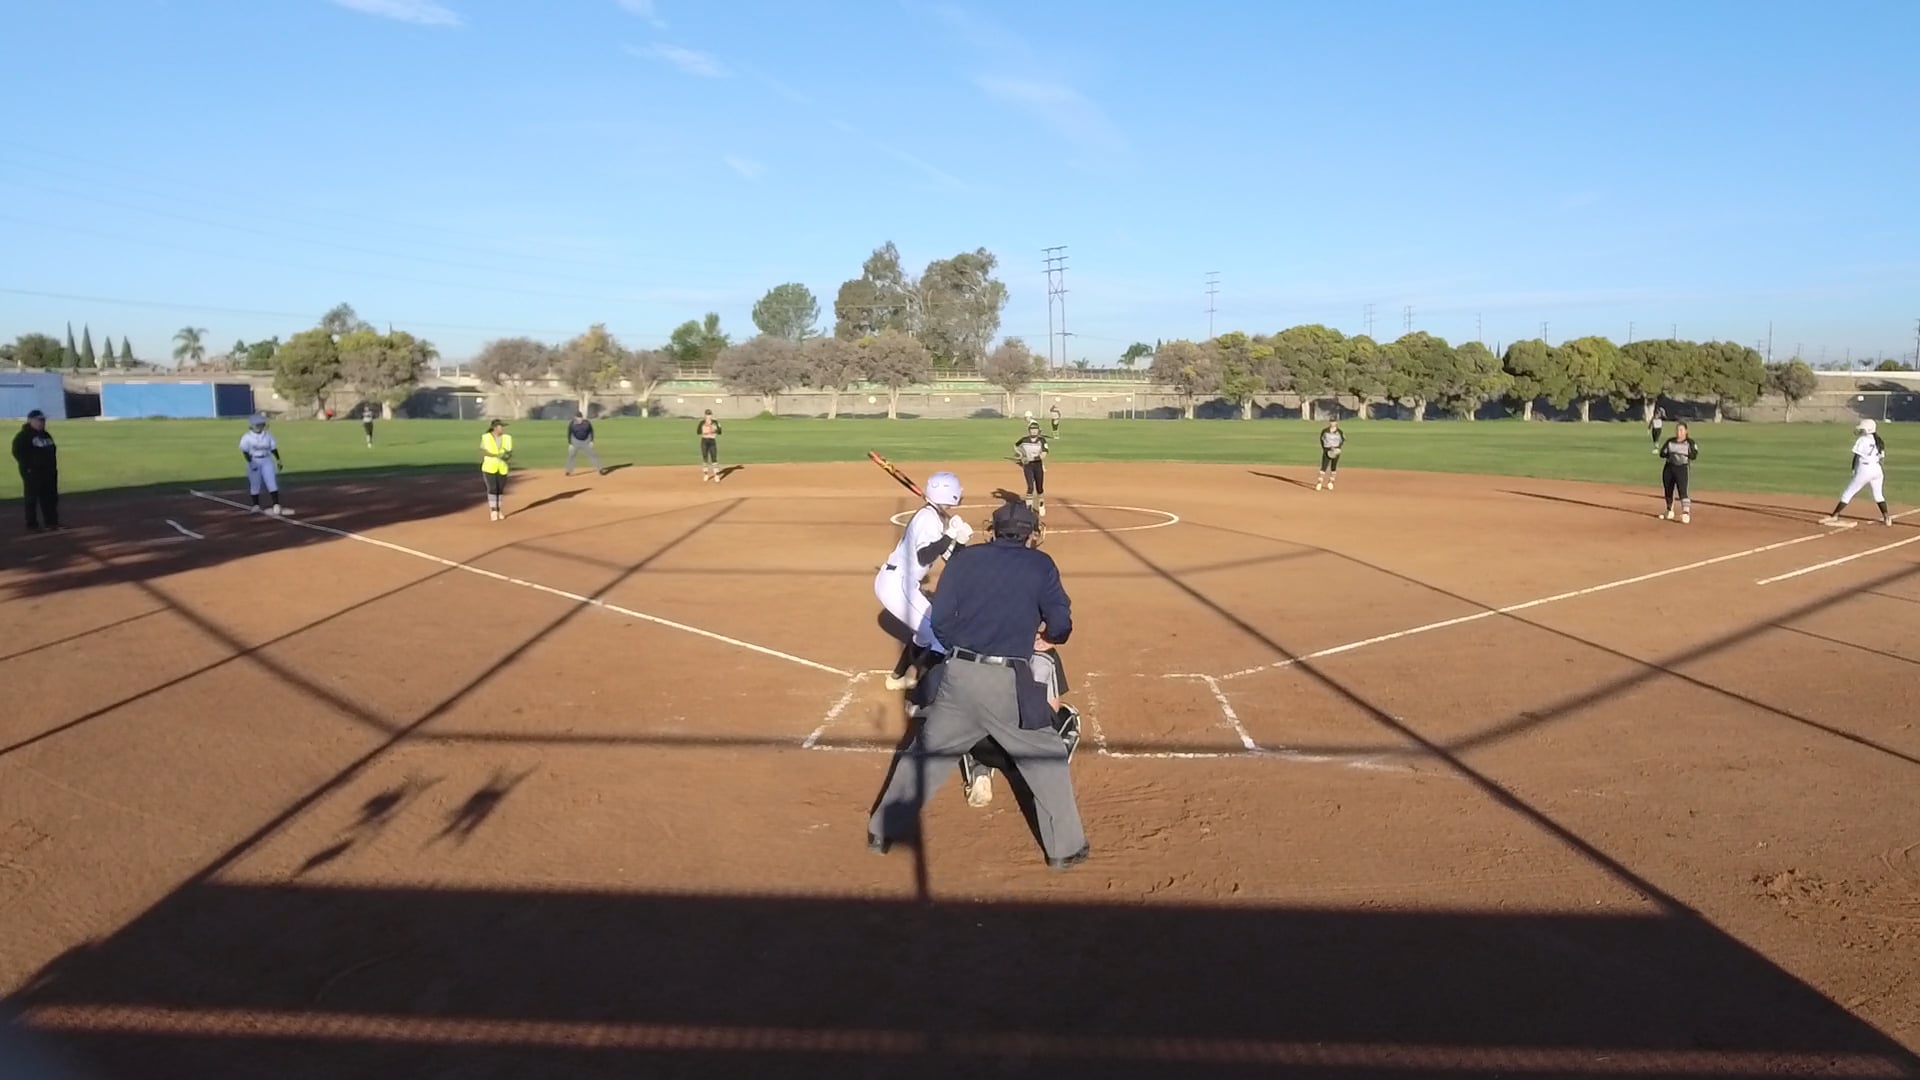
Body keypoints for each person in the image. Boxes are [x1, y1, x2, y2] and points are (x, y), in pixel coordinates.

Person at [867, 501, 1088, 870]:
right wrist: (1048, 637)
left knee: (925, 753)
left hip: (959, 677)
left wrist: (963, 647)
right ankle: (1064, 849)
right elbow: (1061, 625)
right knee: (1046, 757)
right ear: (1031, 534)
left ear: (993, 530)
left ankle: (882, 832)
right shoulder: (1041, 564)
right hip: (1008, 681)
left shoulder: (964, 561)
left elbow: (939, 622)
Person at [958, 624, 1082, 809]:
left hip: (985, 749)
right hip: (1028, 752)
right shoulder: (1043, 654)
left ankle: (979, 768)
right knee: (1067, 715)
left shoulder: (966, 644)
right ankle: (1049, 770)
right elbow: (1051, 710)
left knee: (963, 712)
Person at [876, 471, 972, 691]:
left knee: (923, 634)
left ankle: (897, 678)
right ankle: (924, 695)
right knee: (939, 634)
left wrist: (960, 540)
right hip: (897, 585)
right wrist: (950, 535)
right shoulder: (927, 519)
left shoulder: (937, 518)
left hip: (900, 583)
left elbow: (952, 560)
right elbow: (925, 555)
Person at [1823, 418, 1892, 526]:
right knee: (1878, 495)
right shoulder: (1879, 441)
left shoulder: (1862, 440)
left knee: (1848, 493)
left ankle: (1835, 515)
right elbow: (1881, 458)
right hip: (1877, 469)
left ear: (1868, 429)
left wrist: (1854, 469)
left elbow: (1856, 456)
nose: (1861, 430)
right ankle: (1887, 518)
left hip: (1865, 469)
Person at [12, 409, 60, 533]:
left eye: (43, 420)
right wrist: (29, 467)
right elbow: (17, 452)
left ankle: (51, 522)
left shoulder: (46, 435)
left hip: (49, 472)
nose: (42, 422)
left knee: (50, 498)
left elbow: (52, 451)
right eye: (39, 420)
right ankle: (32, 524)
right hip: (32, 473)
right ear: (30, 421)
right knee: (32, 498)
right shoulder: (23, 436)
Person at [239, 414, 293, 516]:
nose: (261, 426)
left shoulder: (268, 435)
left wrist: (278, 460)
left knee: (271, 482)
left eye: (262, 424)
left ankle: (276, 504)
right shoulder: (247, 437)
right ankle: (256, 505)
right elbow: (245, 451)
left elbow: (273, 448)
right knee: (255, 483)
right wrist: (251, 462)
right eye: (259, 425)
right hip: (254, 460)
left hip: (267, 460)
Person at [1654, 421, 1699, 524]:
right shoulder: (1670, 441)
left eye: (1681, 430)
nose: (1679, 432)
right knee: (1668, 489)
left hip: (1682, 468)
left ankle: (1685, 513)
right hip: (1669, 467)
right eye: (1677, 430)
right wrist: (1669, 453)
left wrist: (1682, 452)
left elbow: (1694, 455)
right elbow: (1662, 453)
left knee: (1682, 490)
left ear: (1686, 431)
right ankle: (1669, 510)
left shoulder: (1690, 442)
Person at [1014, 421, 1050, 517]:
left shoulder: (1042, 441)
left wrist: (1033, 458)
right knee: (1030, 487)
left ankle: (1041, 504)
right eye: (1032, 429)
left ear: (1038, 431)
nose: (1033, 431)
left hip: (1037, 465)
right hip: (1028, 466)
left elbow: (1044, 454)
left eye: (1035, 429)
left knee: (1039, 488)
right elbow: (1016, 446)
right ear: (1029, 430)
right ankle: (1028, 508)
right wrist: (1021, 455)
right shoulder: (1024, 440)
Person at [481, 419, 513, 521]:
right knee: (493, 488)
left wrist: (507, 456)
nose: (502, 429)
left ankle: (498, 510)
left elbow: (509, 452)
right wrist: (495, 455)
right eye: (500, 427)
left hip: (502, 467)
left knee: (500, 489)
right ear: (495, 428)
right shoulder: (486, 437)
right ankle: (493, 510)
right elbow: (483, 451)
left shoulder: (507, 438)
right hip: (489, 467)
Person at [565, 411, 604, 476]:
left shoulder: (587, 423)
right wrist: (570, 444)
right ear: (575, 418)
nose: (579, 419)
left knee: (592, 455)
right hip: (575, 441)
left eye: (580, 417)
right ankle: (568, 471)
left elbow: (591, 431)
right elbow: (569, 433)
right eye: (578, 418)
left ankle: (600, 469)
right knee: (571, 456)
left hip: (585, 442)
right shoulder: (572, 424)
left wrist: (591, 441)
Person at [1316, 419, 1344, 491]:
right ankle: (1319, 483)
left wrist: (1337, 449)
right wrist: (1325, 448)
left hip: (1335, 451)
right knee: (1323, 467)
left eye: (1334, 422)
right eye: (1331, 422)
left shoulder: (1339, 432)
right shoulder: (1325, 431)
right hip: (1327, 451)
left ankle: (1331, 482)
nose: (1332, 423)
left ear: (1336, 423)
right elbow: (1322, 440)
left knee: (1333, 467)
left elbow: (1341, 441)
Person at [697, 410, 723, 482]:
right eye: (707, 415)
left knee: (714, 458)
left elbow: (720, 432)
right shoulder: (702, 422)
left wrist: (715, 429)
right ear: (705, 415)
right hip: (704, 441)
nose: (708, 416)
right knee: (705, 458)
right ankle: (706, 474)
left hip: (712, 441)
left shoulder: (715, 422)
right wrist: (705, 430)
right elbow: (698, 431)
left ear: (711, 415)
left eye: (710, 414)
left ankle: (716, 475)